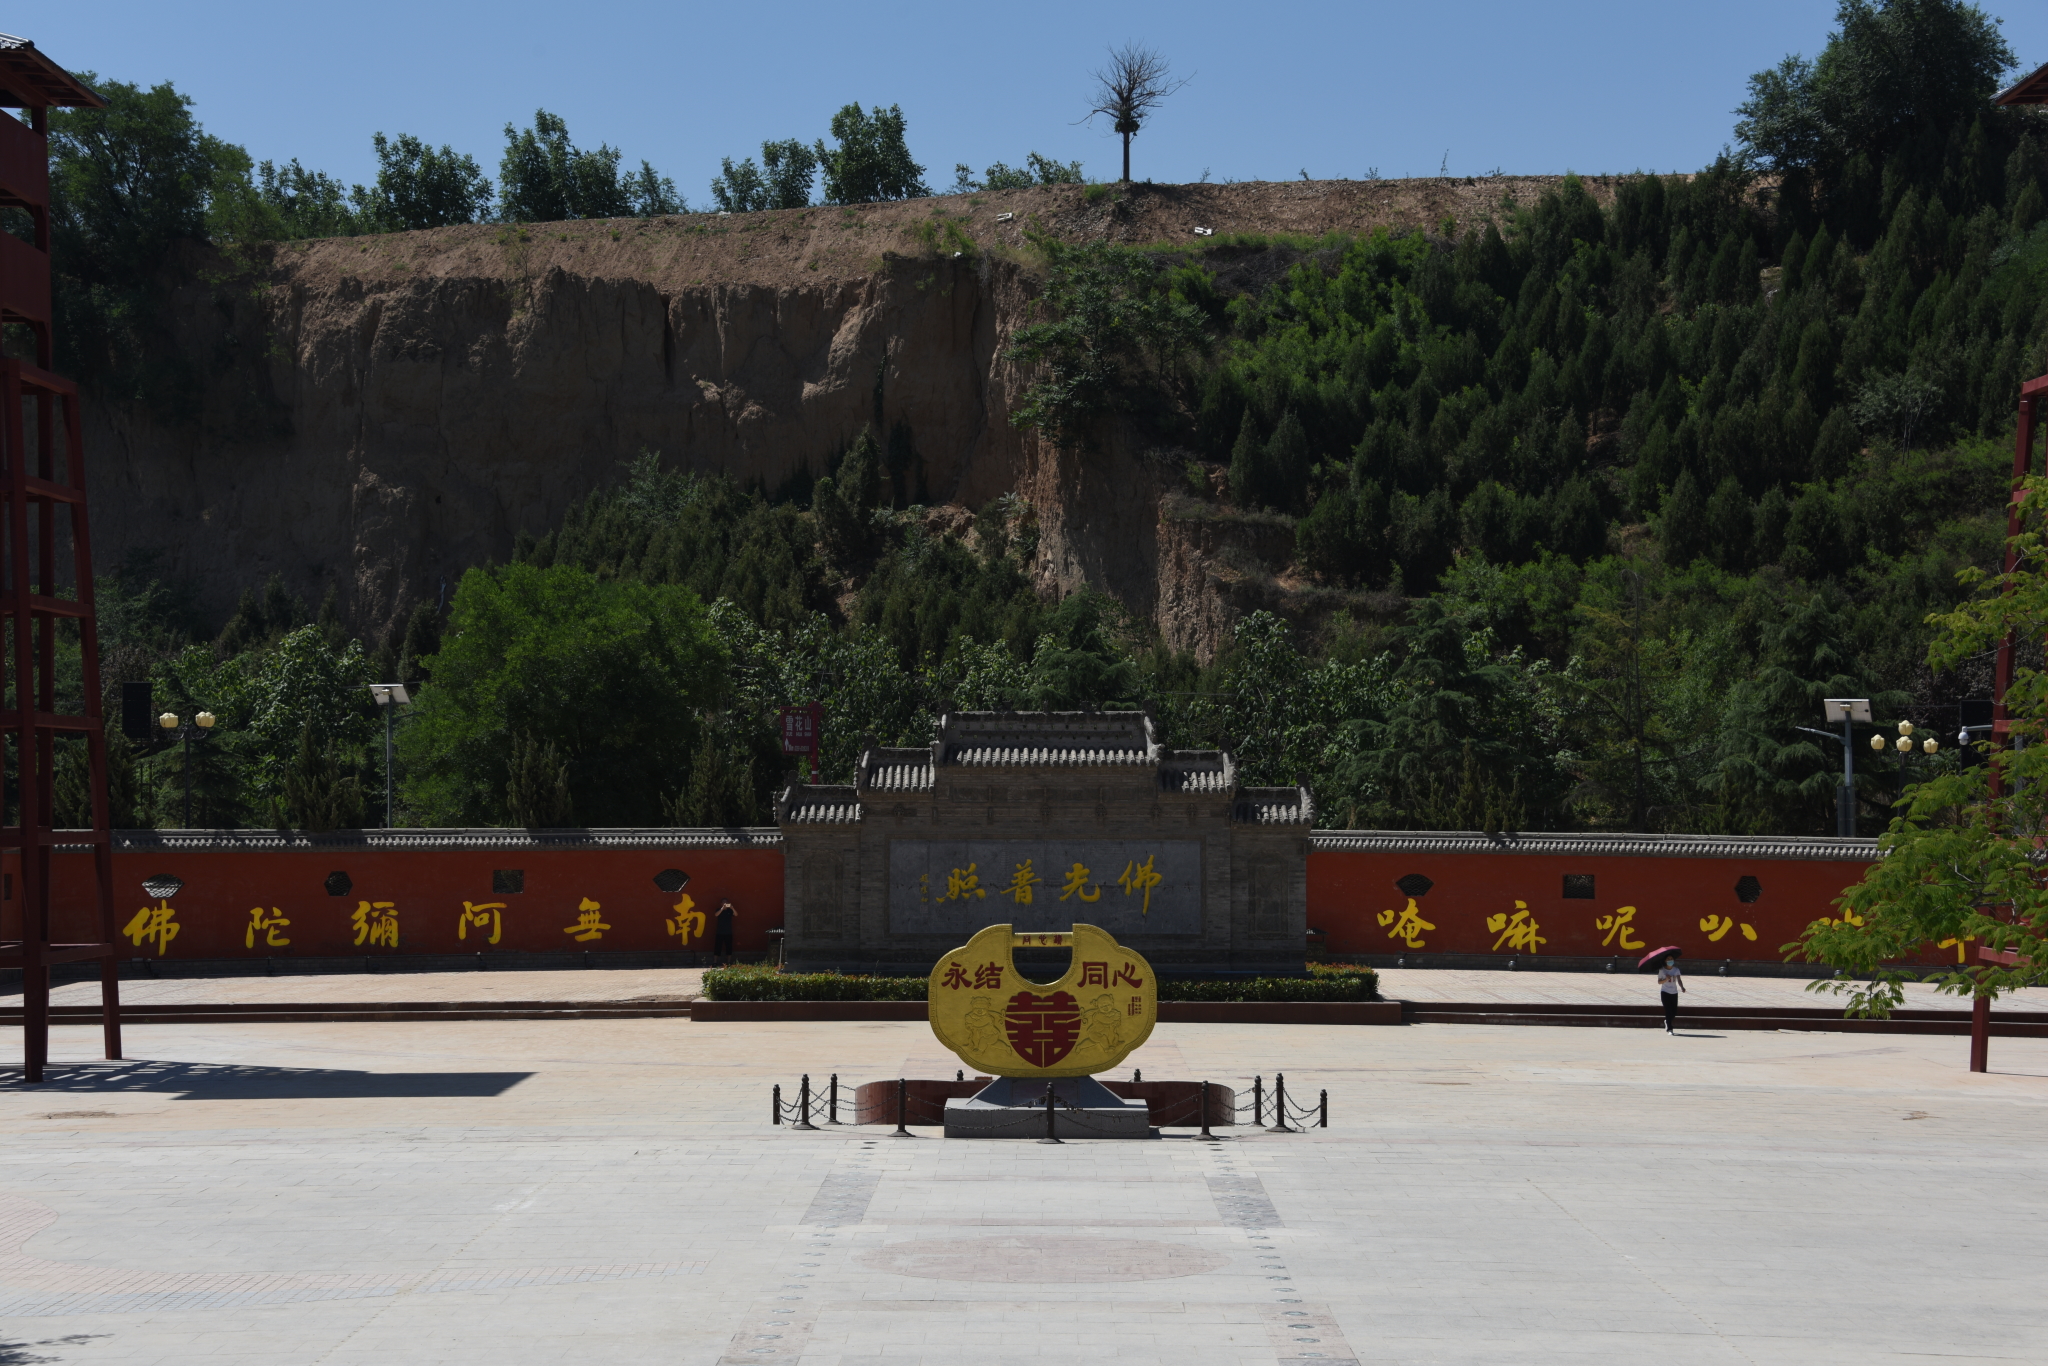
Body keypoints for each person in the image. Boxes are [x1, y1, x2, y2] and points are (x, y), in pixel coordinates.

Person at [1656, 954, 1684, 1033]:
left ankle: (1667, 1021)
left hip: (1674, 992)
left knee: (1674, 1012)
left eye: (1671, 958)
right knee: (1668, 1011)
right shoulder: (1662, 970)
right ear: (1665, 961)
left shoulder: (1676, 970)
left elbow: (1679, 980)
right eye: (1668, 959)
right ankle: (1670, 1029)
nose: (1670, 960)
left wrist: (1682, 987)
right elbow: (1659, 982)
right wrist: (1666, 979)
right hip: (1665, 992)